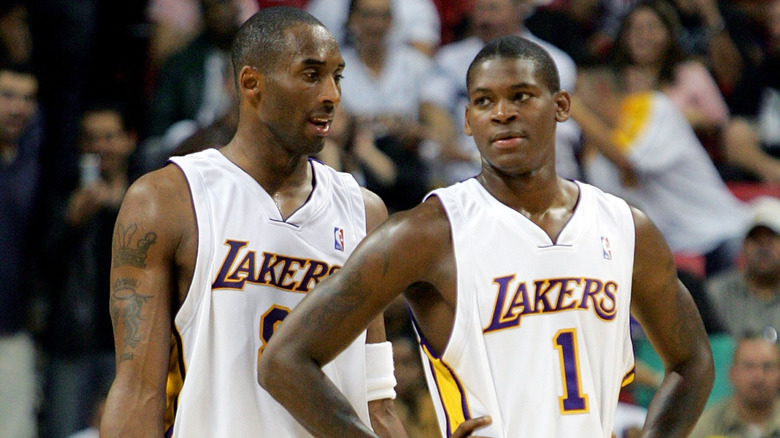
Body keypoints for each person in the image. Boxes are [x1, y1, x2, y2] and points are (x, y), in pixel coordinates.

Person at [258, 35, 715, 437]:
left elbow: (693, 361)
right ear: (466, 118)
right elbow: (285, 360)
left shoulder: (624, 226)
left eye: (521, 96)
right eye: (483, 101)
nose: (502, 114)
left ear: (561, 106)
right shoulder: (430, 231)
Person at [100, 7, 405, 437]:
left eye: (338, 76)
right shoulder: (168, 199)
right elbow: (138, 393)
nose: (332, 94)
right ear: (251, 83)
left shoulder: (365, 212)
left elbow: (377, 400)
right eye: (311, 74)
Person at [38, 102, 136, 438]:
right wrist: (71, 221)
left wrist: (117, 207)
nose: (99, 147)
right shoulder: (63, 192)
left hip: (127, 344)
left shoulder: (148, 196)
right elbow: (41, 267)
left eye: (109, 137)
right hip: (72, 341)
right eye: (91, 138)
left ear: (128, 140)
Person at [0, 61, 41, 438]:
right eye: (7, 95)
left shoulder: (36, 165)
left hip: (12, 332)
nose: (17, 107)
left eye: (27, 98)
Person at [706, 196, 780, 339]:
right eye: (756, 239)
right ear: (743, 245)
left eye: (772, 238)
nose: (763, 247)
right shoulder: (716, 293)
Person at [689, 333, 780, 438]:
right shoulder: (707, 424)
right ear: (732, 373)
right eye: (748, 366)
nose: (758, 376)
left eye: (767, 367)